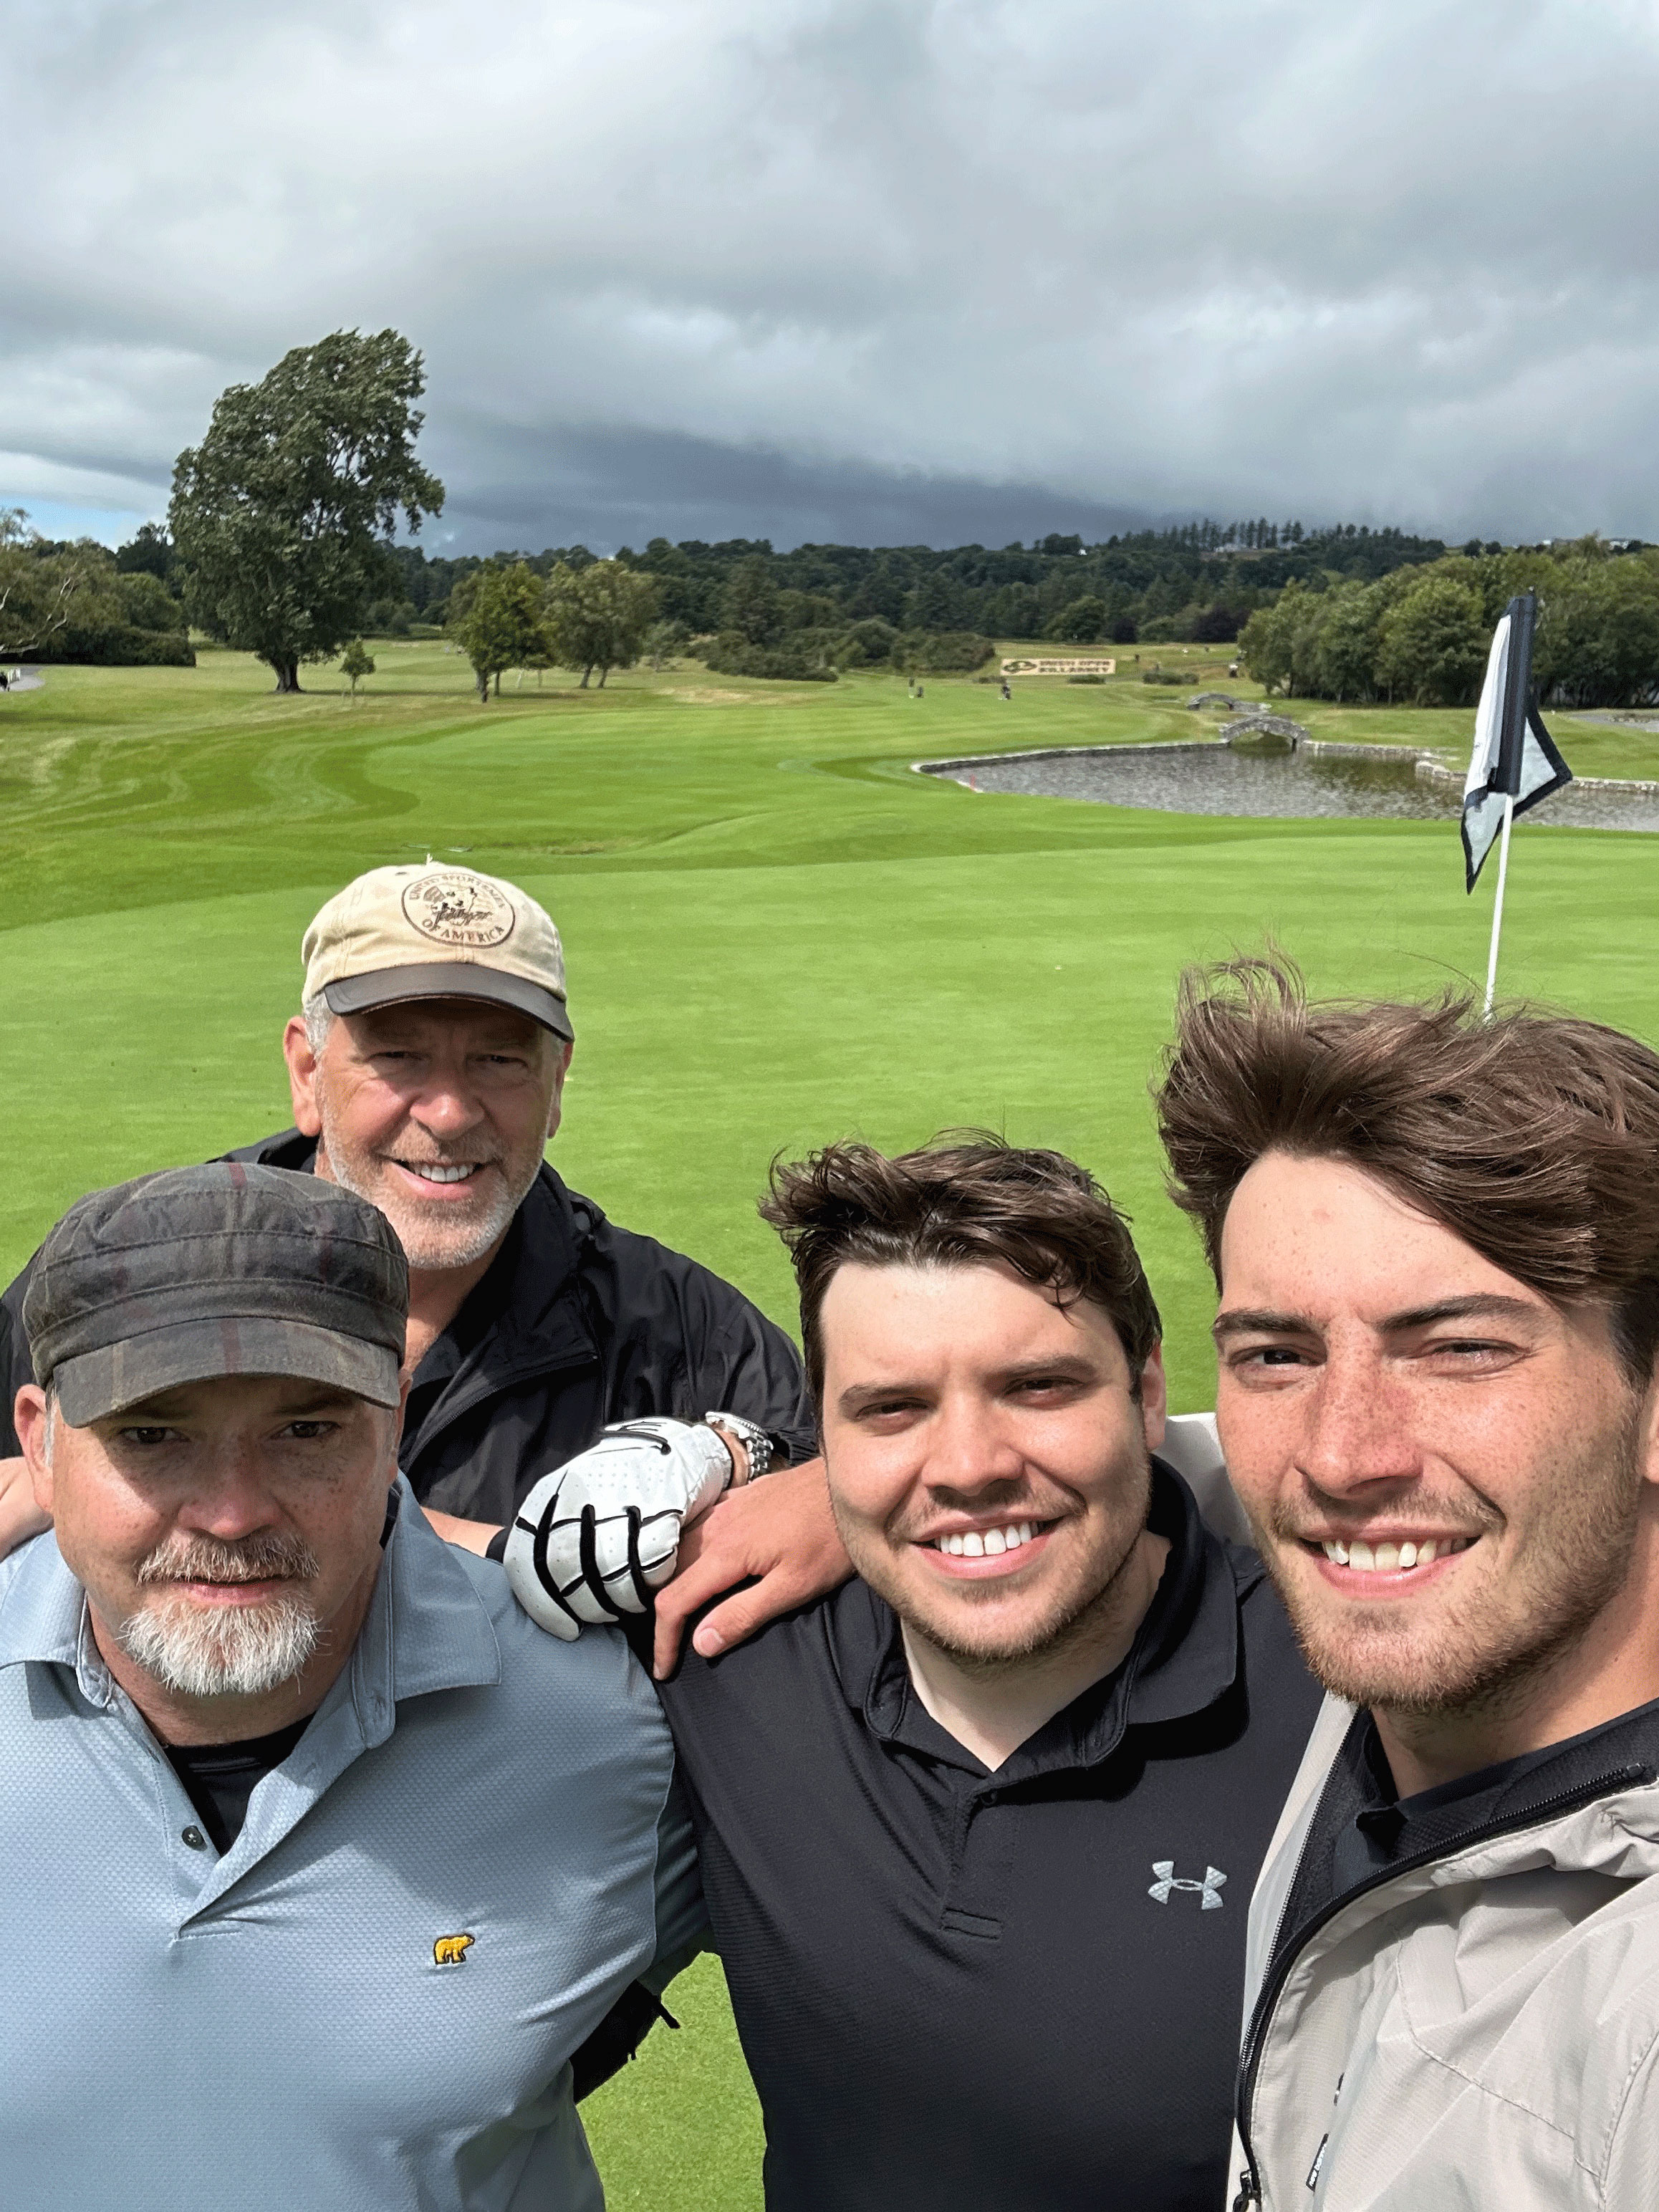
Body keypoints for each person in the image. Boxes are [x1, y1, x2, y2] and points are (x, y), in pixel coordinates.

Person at [511, 1135, 1323, 2211]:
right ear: (825, 1435)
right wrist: (730, 1454)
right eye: (892, 1408)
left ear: (1145, 1394)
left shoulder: (1347, 1707)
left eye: (1038, 1387)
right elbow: (393, 1588)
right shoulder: (724, 1649)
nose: (970, 1466)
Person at [0, 1162, 703, 2209]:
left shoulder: (613, 1717)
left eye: (306, 1430)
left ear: (394, 1422)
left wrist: (753, 1461)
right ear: (39, 1443)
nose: (232, 1514)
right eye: (152, 1433)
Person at [0, 862, 846, 1668]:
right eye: (397, 1056)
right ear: (307, 1070)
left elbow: (851, 1480)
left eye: (499, 1059)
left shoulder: (681, 1329)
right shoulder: (114, 1282)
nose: (448, 1112)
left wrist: (758, 1464)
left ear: (557, 1084)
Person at [1155, 957, 1659, 2212]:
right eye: (1277, 1355)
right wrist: (815, 1475)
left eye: (1461, 1349)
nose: (1340, 1458)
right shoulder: (1417, 1658)